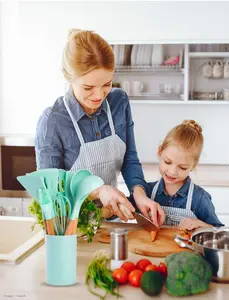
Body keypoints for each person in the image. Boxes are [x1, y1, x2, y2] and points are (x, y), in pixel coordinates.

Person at [34, 28, 165, 226]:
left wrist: (139, 194)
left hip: (111, 223)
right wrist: (98, 190)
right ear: (68, 77)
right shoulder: (52, 122)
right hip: (70, 229)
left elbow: (129, 159)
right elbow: (51, 189)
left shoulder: (119, 102)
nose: (98, 95)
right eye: (88, 87)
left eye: (107, 84)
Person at [146, 120, 224, 230]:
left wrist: (202, 225)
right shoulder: (146, 191)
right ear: (159, 152)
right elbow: (119, 210)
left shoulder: (199, 198)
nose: (173, 171)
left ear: (193, 166)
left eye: (182, 167)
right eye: (168, 162)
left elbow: (217, 231)